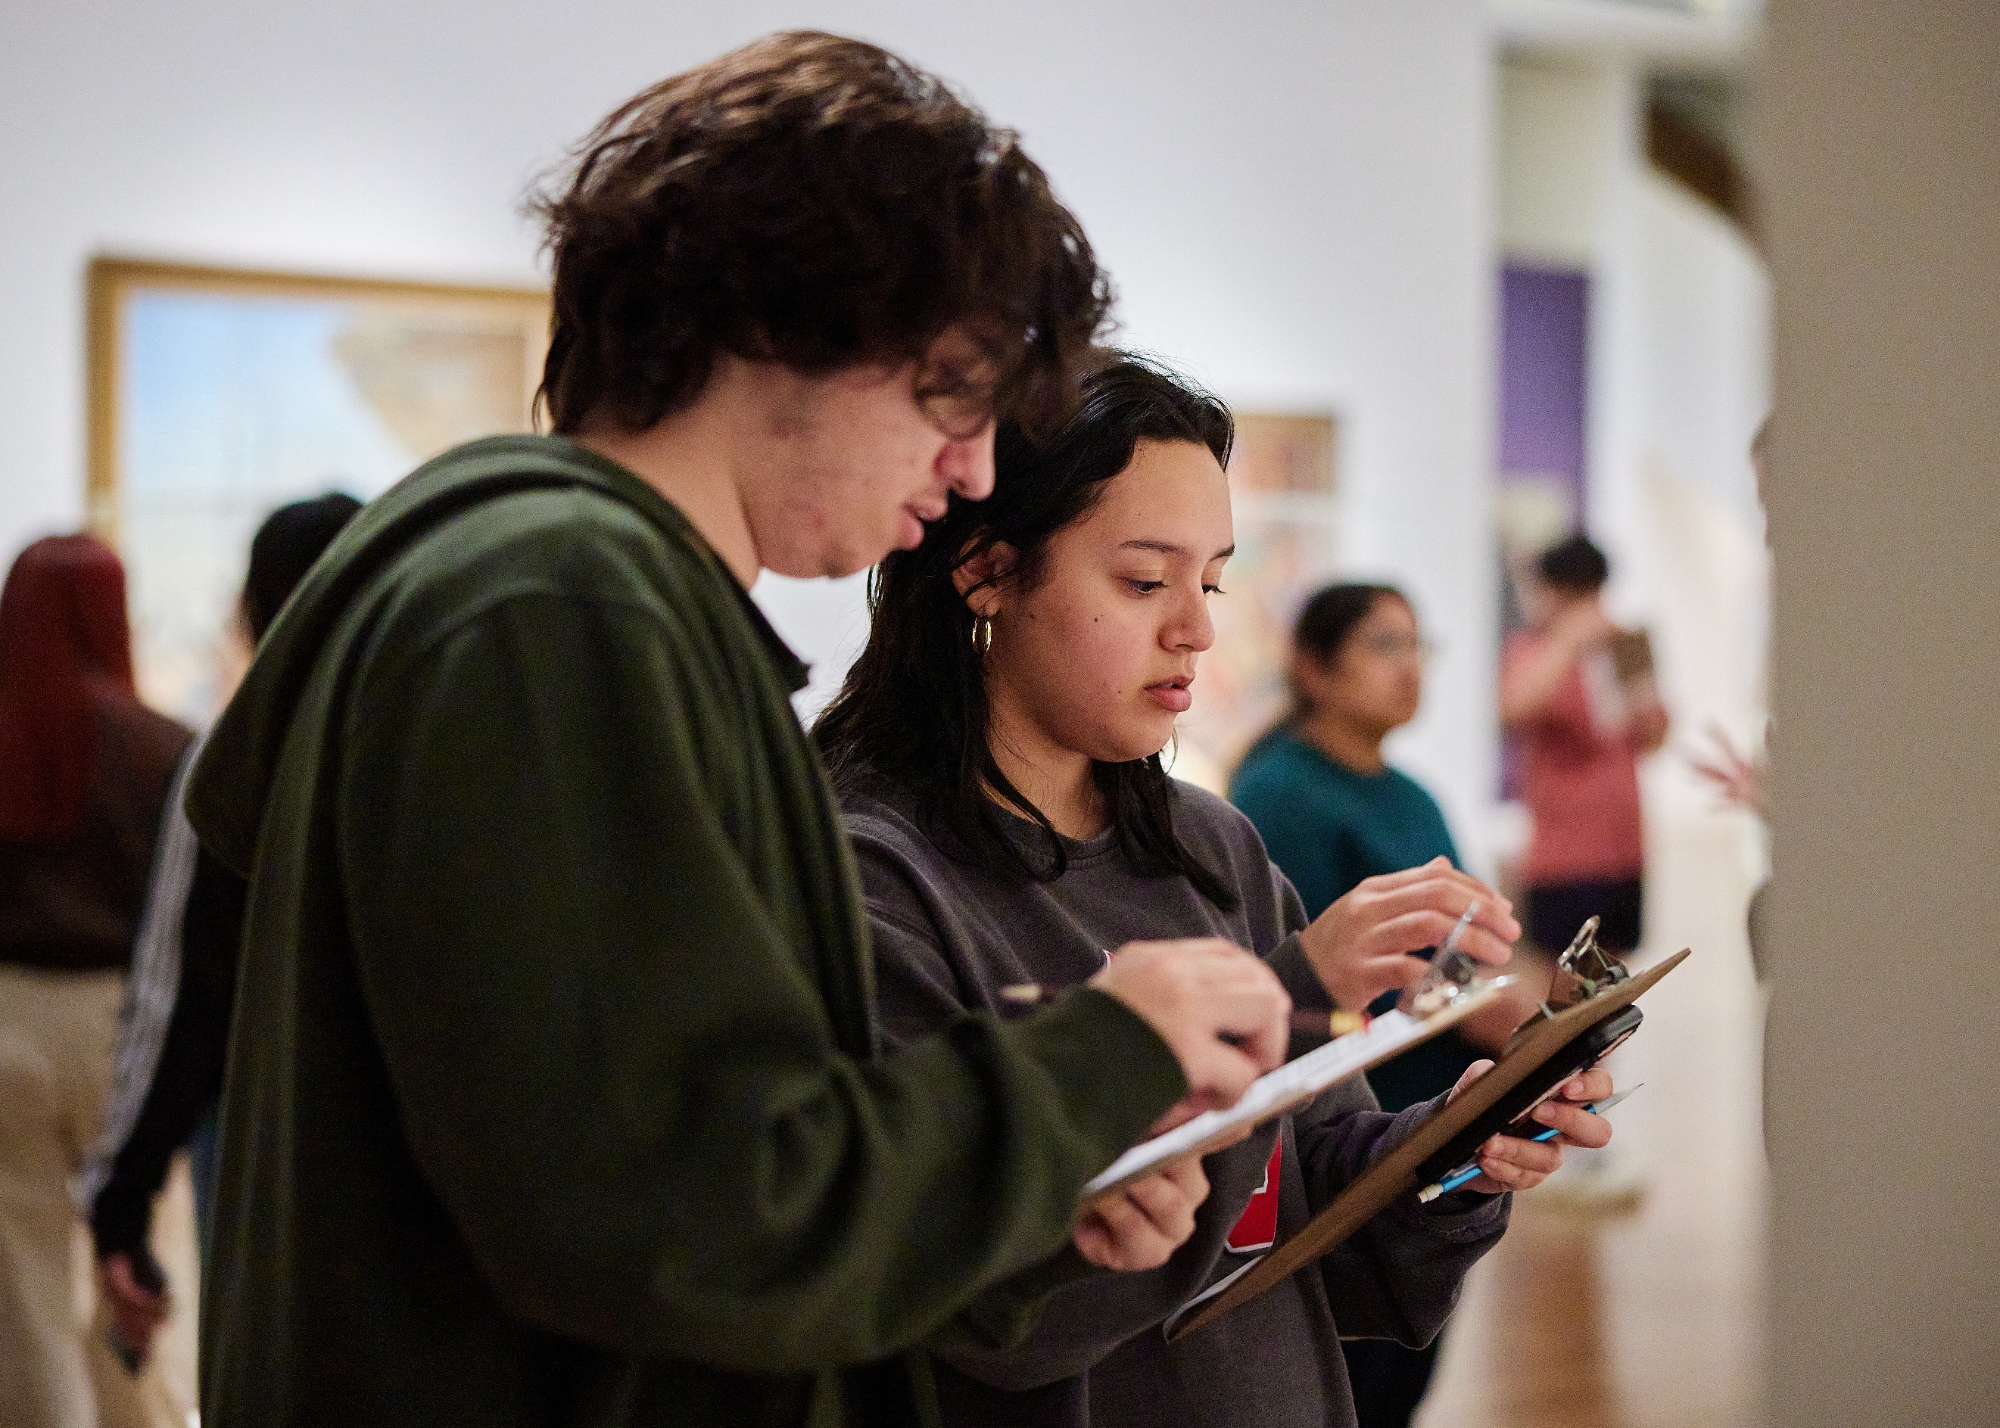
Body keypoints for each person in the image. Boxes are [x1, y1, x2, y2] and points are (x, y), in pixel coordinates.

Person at [182, 34, 1297, 1428]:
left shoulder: (551, 590)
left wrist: (1031, 1204)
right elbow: (693, 1219)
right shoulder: (560, 609)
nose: (968, 469)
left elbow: (673, 1178)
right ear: (797, 326)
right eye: (951, 392)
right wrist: (1103, 1052)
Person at [813, 356, 1616, 1428]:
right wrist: (1285, 998)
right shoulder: (870, 873)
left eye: (1212, 581)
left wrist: (1454, 1149)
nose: (1194, 628)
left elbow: (1306, 1190)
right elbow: (976, 1298)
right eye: (1144, 581)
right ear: (985, 571)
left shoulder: (1209, 847)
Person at [82, 493, 362, 1369]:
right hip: (418, 1134)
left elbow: (178, 993)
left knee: (261, 1370)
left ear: (255, 607)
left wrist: (121, 1199)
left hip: (259, 1117)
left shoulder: (234, 757)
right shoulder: (437, 737)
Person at [1228, 582, 1489, 1427]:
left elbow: (1470, 938)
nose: (1410, 667)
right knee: (1354, 1371)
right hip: (1347, 1127)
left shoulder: (1410, 792)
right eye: (1384, 644)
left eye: (1418, 645)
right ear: (1313, 666)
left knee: (1406, 1358)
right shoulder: (1281, 795)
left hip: (1429, 1117)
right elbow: (1300, 977)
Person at [0, 534, 192, 1428]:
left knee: (21, 1286)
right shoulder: (166, 749)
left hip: (5, 1025)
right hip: (125, 1032)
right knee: (130, 1262)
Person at [1499, 533, 1669, 958]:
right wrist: (1566, 643)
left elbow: (1654, 737)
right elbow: (1513, 709)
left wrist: (1642, 695)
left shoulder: (1623, 643)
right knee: (1556, 982)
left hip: (1623, 848)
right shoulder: (1533, 648)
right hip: (1560, 857)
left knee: (1613, 980)